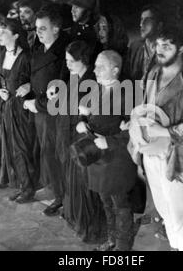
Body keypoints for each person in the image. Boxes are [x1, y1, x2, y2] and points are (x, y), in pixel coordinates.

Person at [128, 27, 183, 251]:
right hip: (151, 153)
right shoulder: (153, 71)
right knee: (166, 215)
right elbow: (145, 106)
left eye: (167, 46)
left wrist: (163, 131)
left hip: (177, 160)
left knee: (181, 221)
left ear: (181, 50)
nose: (160, 50)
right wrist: (136, 124)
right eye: (158, 45)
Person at [78, 50, 137, 251]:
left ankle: (122, 247)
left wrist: (111, 141)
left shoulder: (127, 95)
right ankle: (112, 239)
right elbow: (92, 119)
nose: (95, 70)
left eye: (100, 67)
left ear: (115, 70)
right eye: (95, 66)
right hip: (100, 160)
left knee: (120, 204)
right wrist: (82, 122)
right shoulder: (97, 90)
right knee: (105, 200)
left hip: (117, 160)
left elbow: (136, 131)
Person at [54, 40, 106, 243]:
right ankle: (75, 218)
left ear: (83, 60)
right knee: (73, 181)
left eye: (71, 61)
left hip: (83, 139)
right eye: (66, 60)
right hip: (69, 135)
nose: (67, 65)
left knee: (84, 185)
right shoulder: (74, 77)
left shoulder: (91, 81)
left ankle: (89, 227)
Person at [23, 4, 69, 216]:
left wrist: (37, 104)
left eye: (42, 28)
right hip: (41, 113)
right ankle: (55, 189)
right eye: (37, 28)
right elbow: (37, 78)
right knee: (47, 153)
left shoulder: (64, 54)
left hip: (56, 115)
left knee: (58, 155)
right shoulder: (39, 49)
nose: (38, 32)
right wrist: (29, 87)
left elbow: (62, 91)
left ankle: (63, 197)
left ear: (56, 29)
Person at [0, 18, 39, 203]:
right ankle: (17, 182)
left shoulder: (26, 56)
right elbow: (0, 76)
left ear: (16, 35)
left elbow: (37, 79)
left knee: (21, 149)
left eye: (4, 32)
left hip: (20, 109)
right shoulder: (2, 53)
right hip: (5, 106)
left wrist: (29, 85)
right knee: (7, 144)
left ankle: (28, 189)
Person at [123, 4, 164, 81]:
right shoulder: (135, 47)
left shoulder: (167, 50)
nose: (141, 24)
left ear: (159, 26)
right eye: (141, 19)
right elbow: (126, 77)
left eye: (147, 20)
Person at [69, 0, 98, 64]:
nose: (72, 10)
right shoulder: (75, 25)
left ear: (88, 12)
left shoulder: (95, 30)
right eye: (72, 6)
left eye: (77, 7)